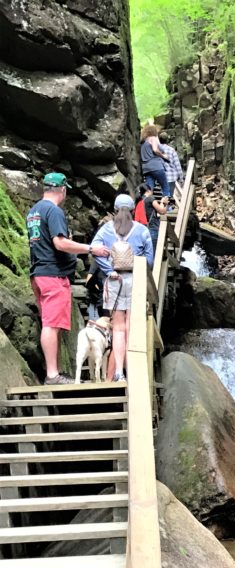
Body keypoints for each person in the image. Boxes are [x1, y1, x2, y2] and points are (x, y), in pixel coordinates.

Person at [26, 172, 110, 385]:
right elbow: (60, 243)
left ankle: (54, 372)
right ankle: (53, 375)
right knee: (51, 325)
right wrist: (91, 249)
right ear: (62, 190)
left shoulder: (34, 211)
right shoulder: (53, 211)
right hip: (52, 275)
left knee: (48, 323)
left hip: (38, 273)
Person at [89, 194, 154, 382]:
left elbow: (94, 249)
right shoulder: (142, 230)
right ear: (133, 210)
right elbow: (149, 260)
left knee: (117, 328)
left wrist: (108, 269)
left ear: (116, 209)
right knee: (130, 327)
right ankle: (132, 369)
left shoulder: (106, 230)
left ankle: (119, 372)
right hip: (135, 281)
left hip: (114, 281)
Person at [140, 124, 171, 197]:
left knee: (149, 190)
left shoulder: (142, 142)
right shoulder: (152, 138)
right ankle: (166, 206)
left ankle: (144, 205)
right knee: (165, 187)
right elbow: (155, 149)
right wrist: (163, 156)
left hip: (146, 168)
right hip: (156, 166)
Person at [159, 133, 183, 204]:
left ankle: (164, 209)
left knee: (164, 194)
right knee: (169, 195)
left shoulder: (156, 150)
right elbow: (177, 164)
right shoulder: (171, 150)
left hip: (161, 176)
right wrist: (181, 178)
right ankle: (167, 209)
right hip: (171, 176)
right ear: (167, 140)